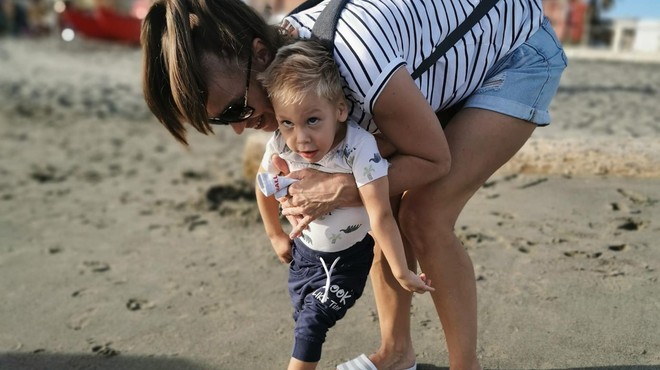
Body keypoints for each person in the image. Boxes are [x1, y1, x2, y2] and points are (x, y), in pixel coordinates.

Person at [140, 0, 567, 369]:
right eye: (220, 120)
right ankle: (397, 353)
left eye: (236, 108)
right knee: (383, 200)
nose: (237, 129)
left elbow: (433, 159)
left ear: (262, 52)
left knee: (423, 213)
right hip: (437, 67)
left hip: (516, 53)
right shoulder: (295, 65)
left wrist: (342, 188)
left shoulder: (352, 59)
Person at [255, 39, 433, 370]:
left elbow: (381, 215)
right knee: (302, 317)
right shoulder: (281, 145)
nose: (301, 138)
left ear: (340, 109)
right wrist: (274, 234)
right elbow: (263, 185)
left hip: (345, 261)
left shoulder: (360, 148)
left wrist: (401, 270)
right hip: (303, 257)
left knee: (311, 327)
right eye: (287, 122)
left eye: (312, 120)